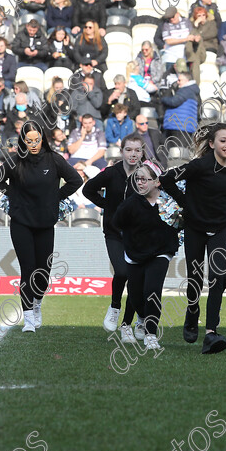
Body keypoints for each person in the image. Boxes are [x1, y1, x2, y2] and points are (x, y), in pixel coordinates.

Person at [160, 123, 226, 354]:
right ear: (211, 144)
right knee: (195, 279)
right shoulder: (199, 166)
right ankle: (192, 310)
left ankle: (211, 332)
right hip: (195, 229)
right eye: (223, 141)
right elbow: (166, 179)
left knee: (219, 277)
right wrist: (185, 202)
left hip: (220, 230)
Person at [0, 122, 82, 332]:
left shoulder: (54, 159)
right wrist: (12, 195)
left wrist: (55, 197)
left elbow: (75, 180)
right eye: (29, 140)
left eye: (37, 139)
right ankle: (29, 319)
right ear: (23, 140)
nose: (33, 144)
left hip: (45, 223)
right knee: (28, 269)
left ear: (43, 139)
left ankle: (38, 302)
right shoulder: (15, 161)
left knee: (43, 271)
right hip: (21, 222)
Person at [113, 160, 180, 351]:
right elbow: (117, 223)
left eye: (145, 179)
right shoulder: (131, 203)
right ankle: (139, 319)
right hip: (135, 254)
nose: (140, 183)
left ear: (157, 182)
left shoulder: (168, 202)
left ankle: (151, 335)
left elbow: (181, 220)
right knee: (136, 296)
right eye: (138, 179)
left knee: (152, 291)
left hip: (160, 253)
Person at [84, 135, 144, 340]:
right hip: (114, 232)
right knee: (122, 271)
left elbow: (159, 194)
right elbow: (87, 189)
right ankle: (115, 306)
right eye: (129, 150)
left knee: (137, 278)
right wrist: (106, 205)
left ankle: (128, 324)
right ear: (122, 151)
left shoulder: (147, 173)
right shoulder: (111, 173)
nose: (133, 154)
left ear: (142, 151)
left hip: (138, 234)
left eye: (137, 150)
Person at [162, 72, 200, 146]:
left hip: (179, 126)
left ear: (187, 81)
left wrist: (163, 99)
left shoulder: (186, 90)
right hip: (184, 126)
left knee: (177, 151)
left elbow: (174, 102)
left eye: (180, 80)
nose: (177, 82)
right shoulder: (192, 90)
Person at [161, 7, 196, 73]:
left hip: (185, 58)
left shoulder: (186, 21)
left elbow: (191, 35)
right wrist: (185, 39)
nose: (171, 19)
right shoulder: (166, 25)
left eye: (172, 17)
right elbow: (169, 41)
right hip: (171, 57)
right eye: (169, 18)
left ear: (177, 14)